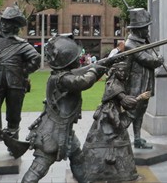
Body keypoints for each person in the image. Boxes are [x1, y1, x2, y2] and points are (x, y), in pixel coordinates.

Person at [22, 34, 110, 183]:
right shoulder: (62, 79)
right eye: (76, 57)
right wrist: (95, 70)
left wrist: (99, 67)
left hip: (65, 130)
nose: (78, 59)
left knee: (78, 158)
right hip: (53, 132)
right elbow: (83, 82)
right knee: (39, 168)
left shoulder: (60, 75)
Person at [81, 61, 151, 182]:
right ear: (115, 71)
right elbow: (127, 102)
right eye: (120, 71)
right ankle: (114, 171)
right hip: (110, 115)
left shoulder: (116, 83)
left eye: (125, 71)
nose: (123, 73)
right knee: (115, 139)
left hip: (110, 114)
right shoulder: (115, 86)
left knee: (108, 141)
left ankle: (103, 170)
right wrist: (140, 98)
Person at [0, 4, 40, 139]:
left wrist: (23, 72)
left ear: (14, 25)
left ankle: (13, 139)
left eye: (8, 22)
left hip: (16, 84)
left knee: (14, 113)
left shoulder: (22, 44)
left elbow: (36, 59)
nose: (3, 24)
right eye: (3, 20)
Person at [124, 8, 164, 149]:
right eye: (145, 28)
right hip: (136, 85)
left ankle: (137, 138)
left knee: (140, 112)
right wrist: (158, 60)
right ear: (138, 29)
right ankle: (119, 139)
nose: (147, 30)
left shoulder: (142, 41)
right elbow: (146, 59)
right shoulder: (131, 44)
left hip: (145, 83)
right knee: (132, 112)